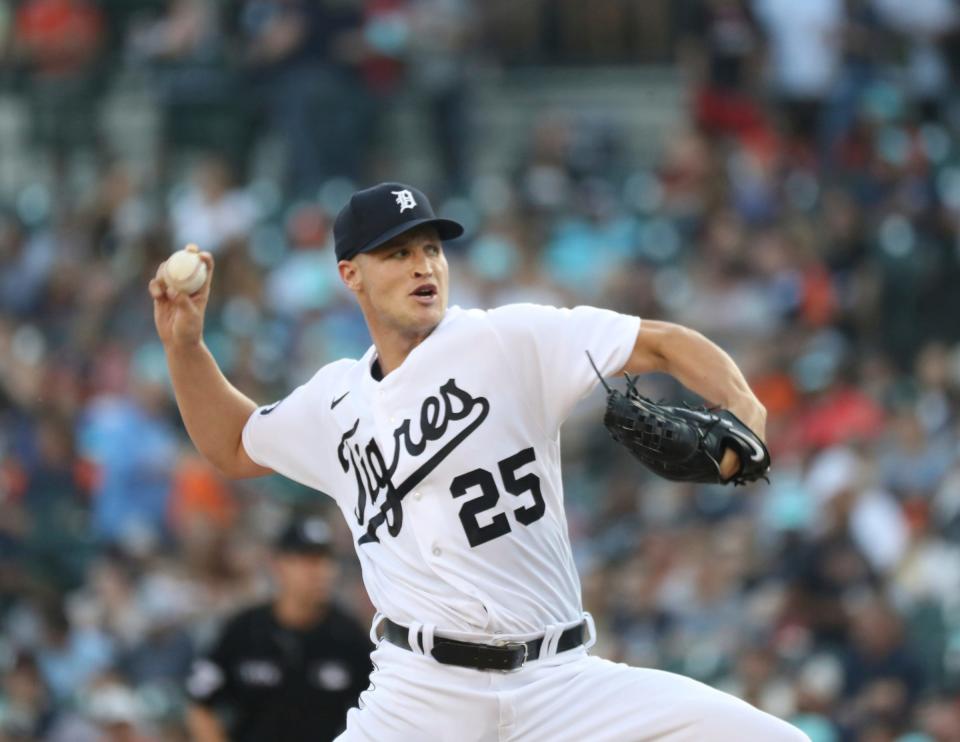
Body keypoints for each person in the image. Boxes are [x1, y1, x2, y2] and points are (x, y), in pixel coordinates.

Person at [150, 182, 810, 741]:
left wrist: (743, 405)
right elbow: (232, 445)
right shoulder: (333, 403)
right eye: (398, 253)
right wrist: (185, 349)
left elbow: (662, 344)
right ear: (350, 272)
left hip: (562, 686)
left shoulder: (508, 339)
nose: (423, 267)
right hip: (420, 697)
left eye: (432, 249)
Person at [184, 517, 371, 742]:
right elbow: (200, 704)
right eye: (306, 560)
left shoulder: (349, 636)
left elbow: (379, 709)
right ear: (277, 564)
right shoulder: (245, 630)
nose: (320, 571)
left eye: (326, 560)